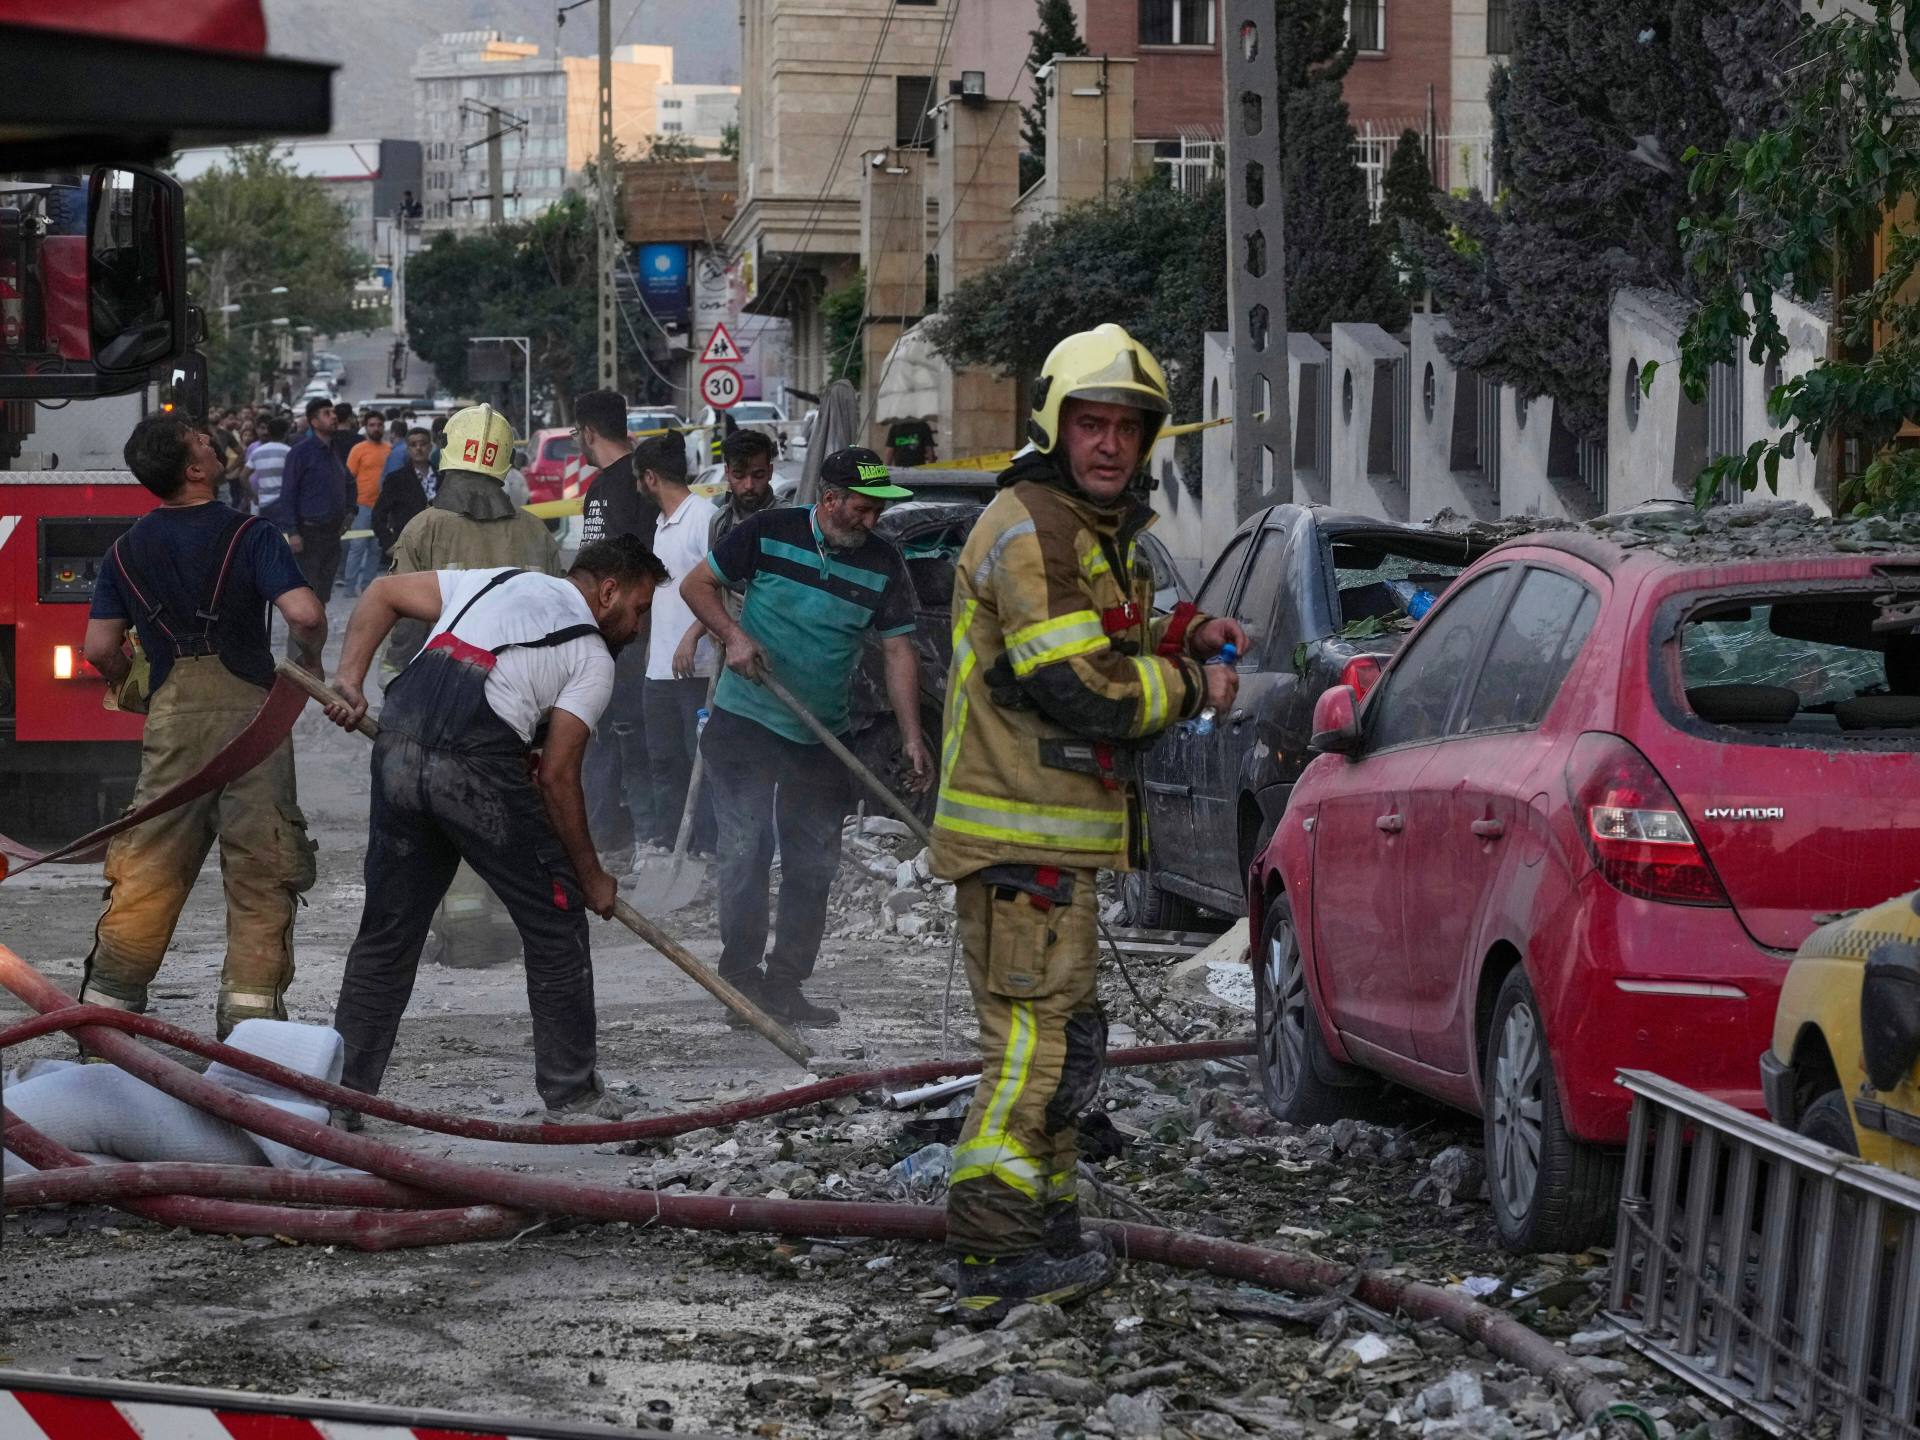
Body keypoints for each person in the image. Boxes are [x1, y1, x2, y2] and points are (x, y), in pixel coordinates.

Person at [931, 325, 1246, 1324]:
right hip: (1019, 842)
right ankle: (993, 1254)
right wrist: (1193, 682)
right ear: (1055, 426)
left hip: (1051, 845)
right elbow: (1079, 684)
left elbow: (1107, 627)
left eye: (1127, 426)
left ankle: (1047, 1231)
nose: (1110, 443)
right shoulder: (1032, 527)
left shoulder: (1081, 527)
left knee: (1064, 1044)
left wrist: (1185, 629)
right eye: (1091, 423)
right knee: (1030, 1049)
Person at [322, 535, 668, 1124]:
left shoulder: (496, 579)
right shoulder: (590, 657)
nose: (637, 628)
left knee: (388, 933)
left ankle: (343, 1098)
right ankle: (574, 1096)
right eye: (639, 610)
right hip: (472, 773)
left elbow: (382, 592)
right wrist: (590, 878)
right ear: (609, 592)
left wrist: (349, 679)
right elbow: (558, 777)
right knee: (556, 922)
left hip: (399, 750)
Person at [79, 413, 328, 1036]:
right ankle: (250, 1028)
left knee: (149, 868)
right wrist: (311, 664)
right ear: (194, 470)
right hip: (254, 727)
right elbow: (304, 614)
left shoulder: (124, 551)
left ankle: (105, 1021)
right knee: (262, 868)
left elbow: (98, 648)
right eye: (200, 442)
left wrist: (137, 686)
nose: (212, 443)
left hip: (172, 722)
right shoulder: (253, 534)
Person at [681, 447, 931, 1028]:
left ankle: (785, 985)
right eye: (863, 508)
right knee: (745, 851)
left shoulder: (884, 563)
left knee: (814, 863)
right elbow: (697, 586)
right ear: (830, 499)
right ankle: (741, 983)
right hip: (745, 722)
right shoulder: (769, 532)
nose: (872, 520)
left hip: (822, 737)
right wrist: (733, 637)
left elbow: (899, 651)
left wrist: (913, 737)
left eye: (878, 510)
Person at [574, 387, 664, 865]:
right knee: (599, 734)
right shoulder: (602, 486)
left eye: (578, 434)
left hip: (629, 638)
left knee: (629, 736)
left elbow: (649, 564)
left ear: (588, 432)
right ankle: (603, 836)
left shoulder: (633, 485)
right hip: (599, 637)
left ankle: (643, 840)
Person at [637, 431, 718, 857]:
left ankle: (705, 846)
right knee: (663, 761)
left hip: (697, 668)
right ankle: (670, 845)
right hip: (660, 671)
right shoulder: (660, 526)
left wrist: (691, 636)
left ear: (650, 477)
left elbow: (722, 587)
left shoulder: (704, 518)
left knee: (699, 762)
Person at [271, 396, 351, 604]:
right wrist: (293, 532)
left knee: (323, 594)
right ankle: (305, 626)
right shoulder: (301, 453)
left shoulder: (335, 450)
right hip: (309, 535)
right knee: (308, 594)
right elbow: (288, 493)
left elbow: (349, 482)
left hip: (332, 534)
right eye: (327, 413)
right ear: (314, 422)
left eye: (333, 412)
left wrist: (351, 512)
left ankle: (318, 625)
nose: (333, 417)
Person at [342, 410, 389, 597]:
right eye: (372, 425)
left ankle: (367, 587)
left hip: (382, 507)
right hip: (362, 505)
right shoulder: (358, 449)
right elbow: (348, 478)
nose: (376, 428)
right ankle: (349, 587)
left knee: (377, 548)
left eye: (379, 425)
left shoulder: (389, 449)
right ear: (366, 427)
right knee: (357, 546)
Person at [372, 426, 436, 561]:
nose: (418, 448)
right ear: (408, 449)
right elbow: (378, 515)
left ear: (430, 447)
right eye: (413, 445)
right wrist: (388, 544)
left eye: (423, 444)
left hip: (440, 547)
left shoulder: (443, 476)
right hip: (408, 548)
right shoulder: (396, 479)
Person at [709, 427, 779, 548]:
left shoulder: (788, 518)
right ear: (727, 473)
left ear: (770, 472)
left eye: (758, 475)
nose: (749, 485)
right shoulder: (720, 522)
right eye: (739, 476)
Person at [243, 414, 290, 519]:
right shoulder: (289, 452)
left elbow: (243, 476)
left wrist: (253, 496)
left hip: (264, 502)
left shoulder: (257, 452)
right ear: (286, 433)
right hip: (283, 502)